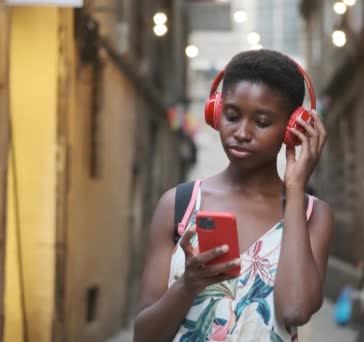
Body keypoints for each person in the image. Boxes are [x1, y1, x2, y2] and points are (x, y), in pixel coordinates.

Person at [133, 49, 334, 342]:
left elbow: (294, 311)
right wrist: (188, 285)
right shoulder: (179, 205)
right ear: (215, 113)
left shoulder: (312, 215)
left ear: (293, 129)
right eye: (231, 116)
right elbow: (143, 336)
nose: (242, 132)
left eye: (262, 122)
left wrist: (295, 188)